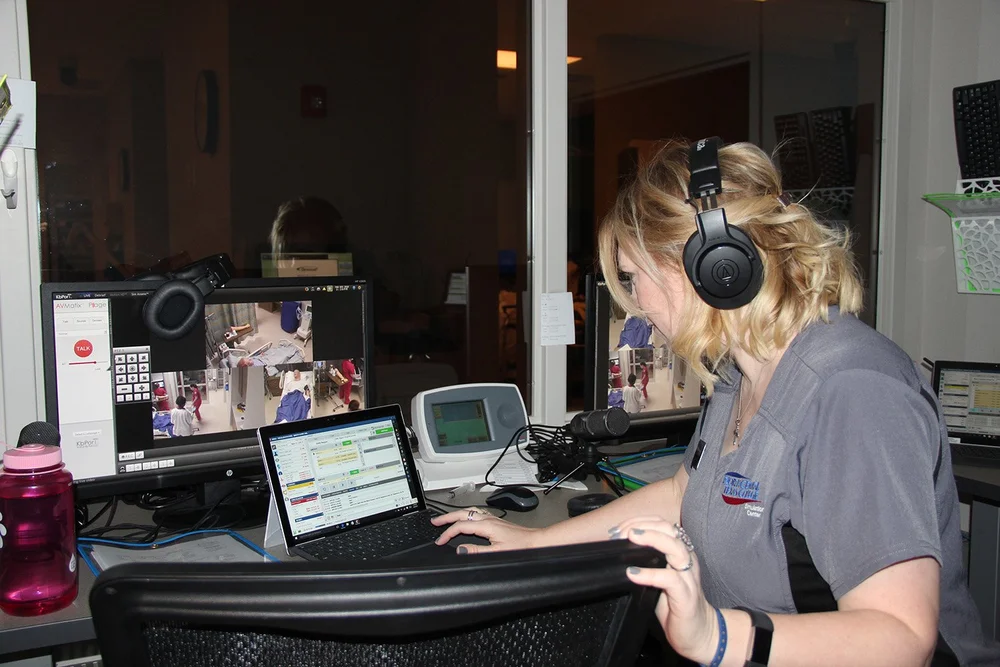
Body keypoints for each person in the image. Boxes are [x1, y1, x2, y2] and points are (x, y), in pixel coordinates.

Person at [432, 139, 1000, 666]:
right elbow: (684, 491)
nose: (633, 309)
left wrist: (717, 636)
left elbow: (901, 637)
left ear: (708, 265)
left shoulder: (853, 389)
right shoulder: (740, 370)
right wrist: (534, 542)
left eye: (633, 278)